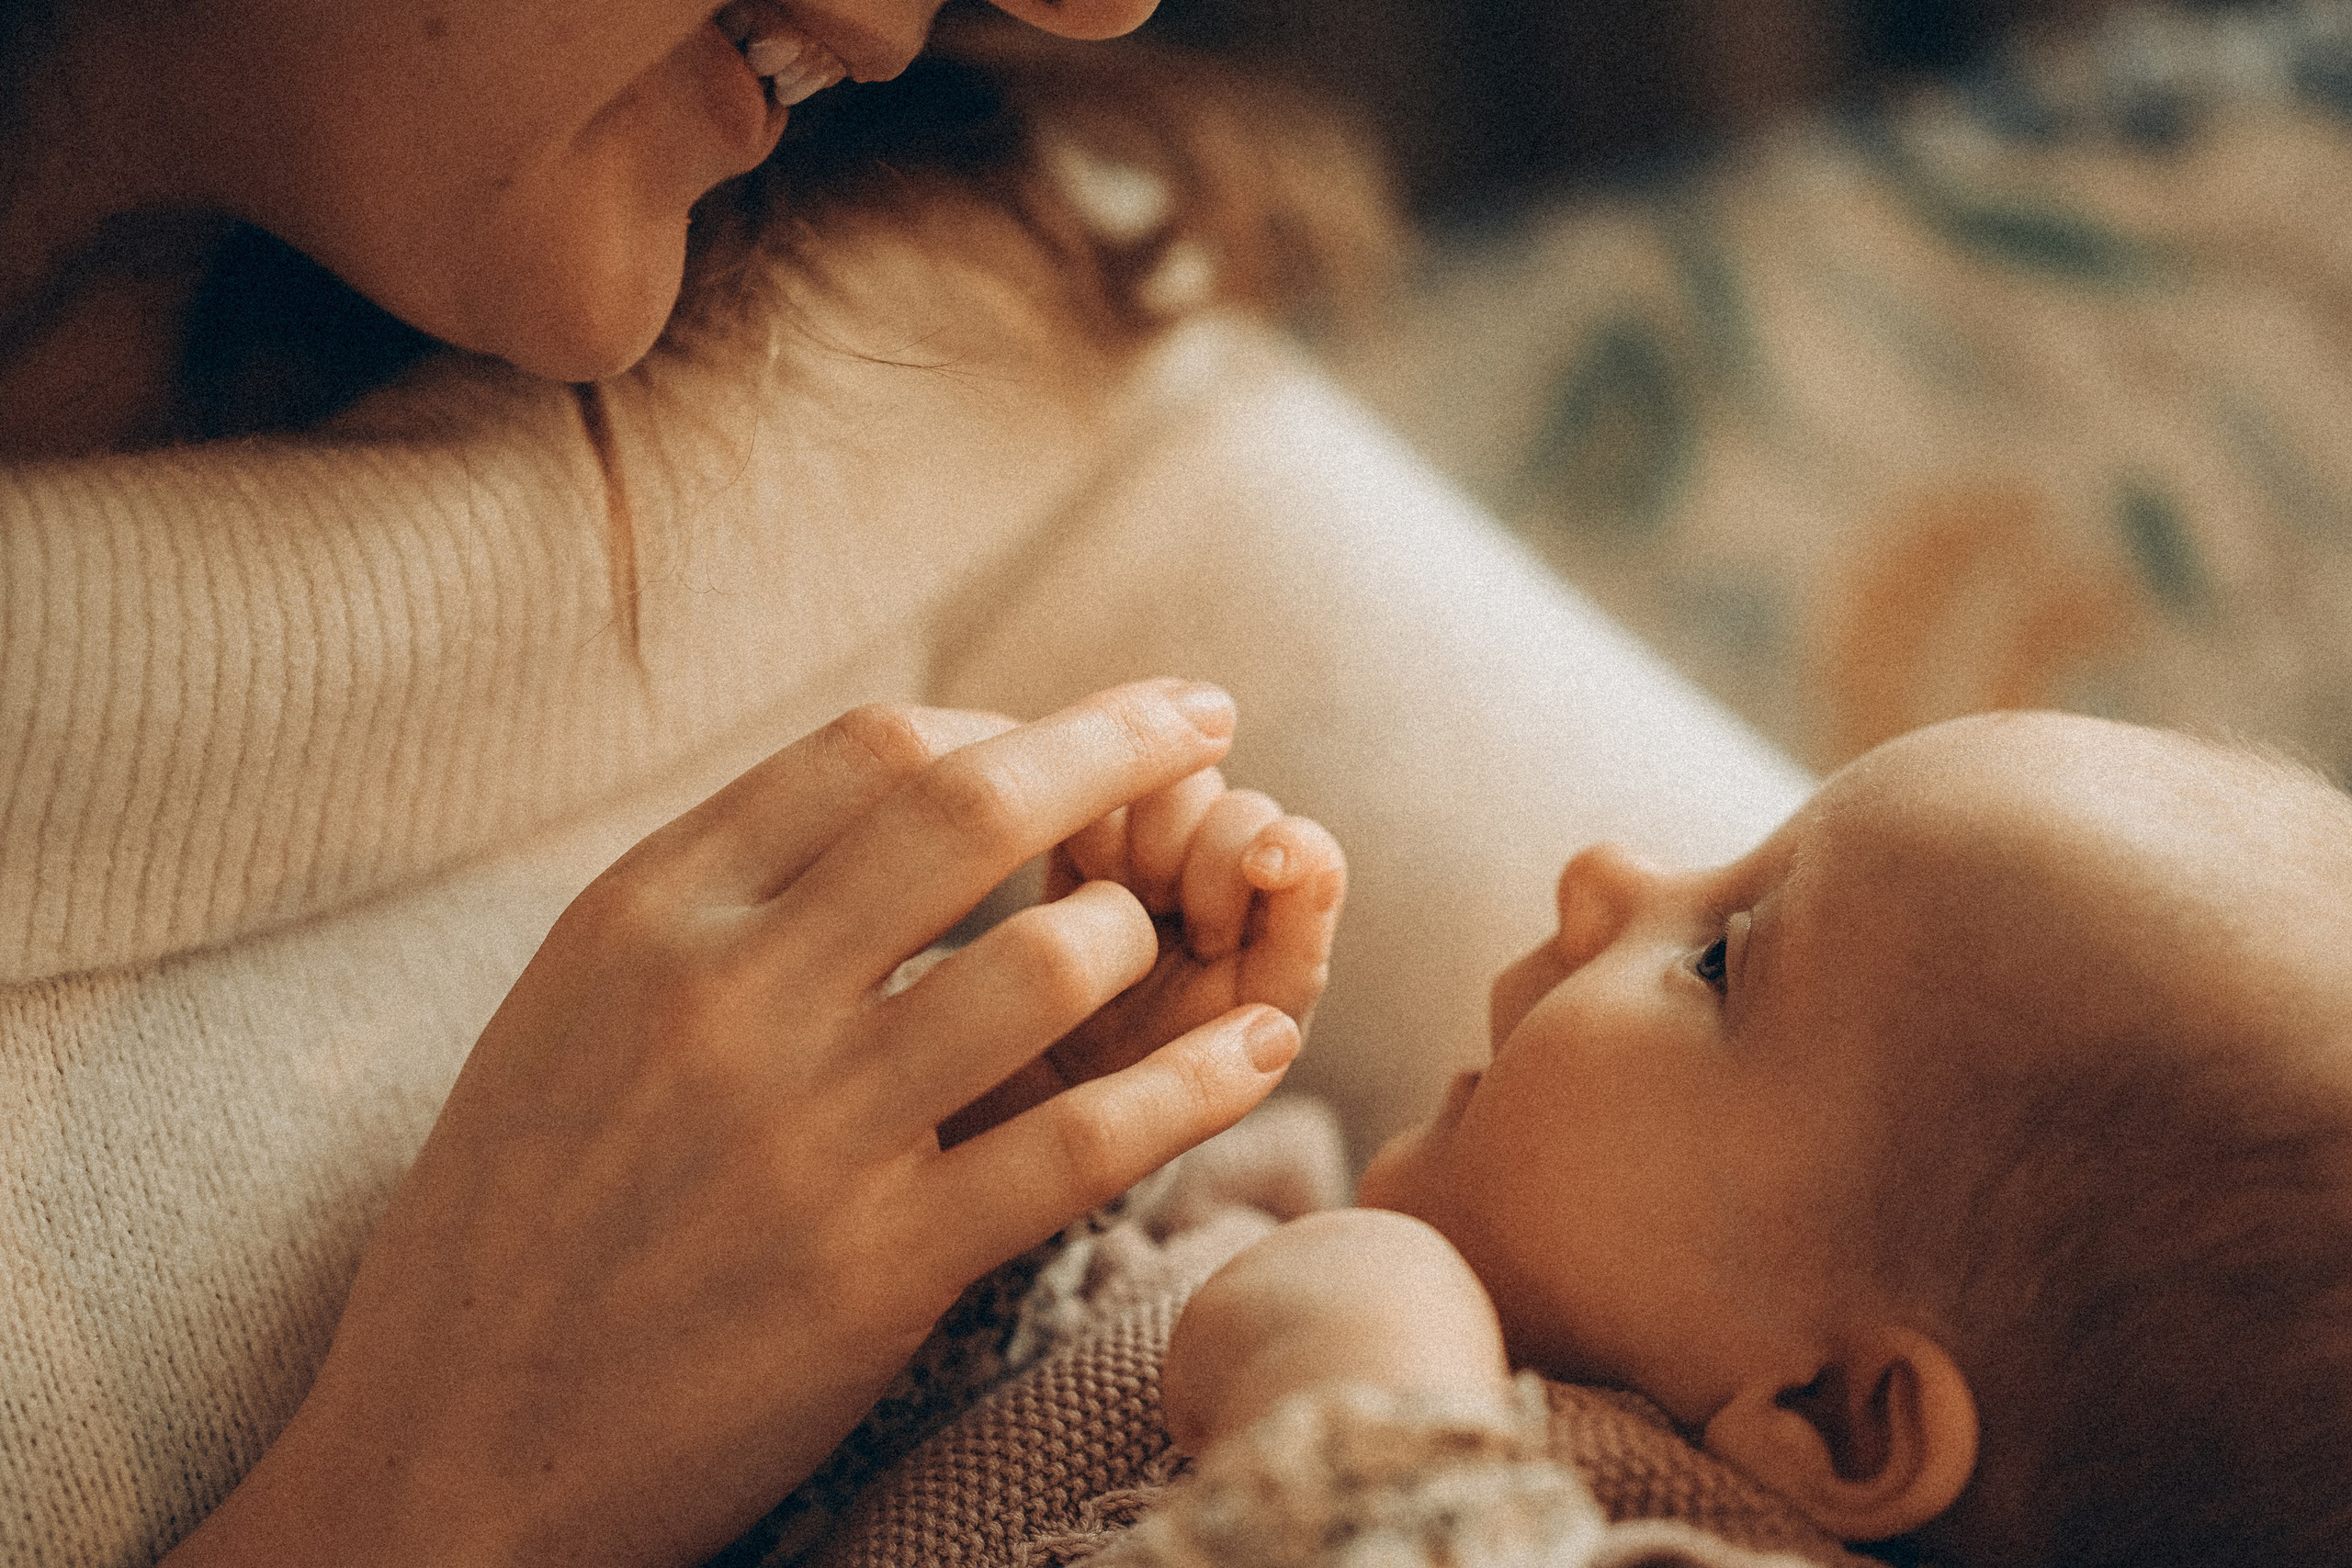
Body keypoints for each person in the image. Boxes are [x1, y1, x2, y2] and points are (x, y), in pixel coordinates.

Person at [0, 2, 1811, 1565]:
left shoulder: (951, 300)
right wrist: (430, 1502)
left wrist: (1014, 1217)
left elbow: (2035, 1306)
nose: (1088, 8)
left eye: (1718, 953)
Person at [1154, 709, 2352, 1568]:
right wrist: (1100, 1093)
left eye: (1721, 959)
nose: (1603, 877)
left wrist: (1360, 1399)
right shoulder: (1298, 1231)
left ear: (1835, 1414)